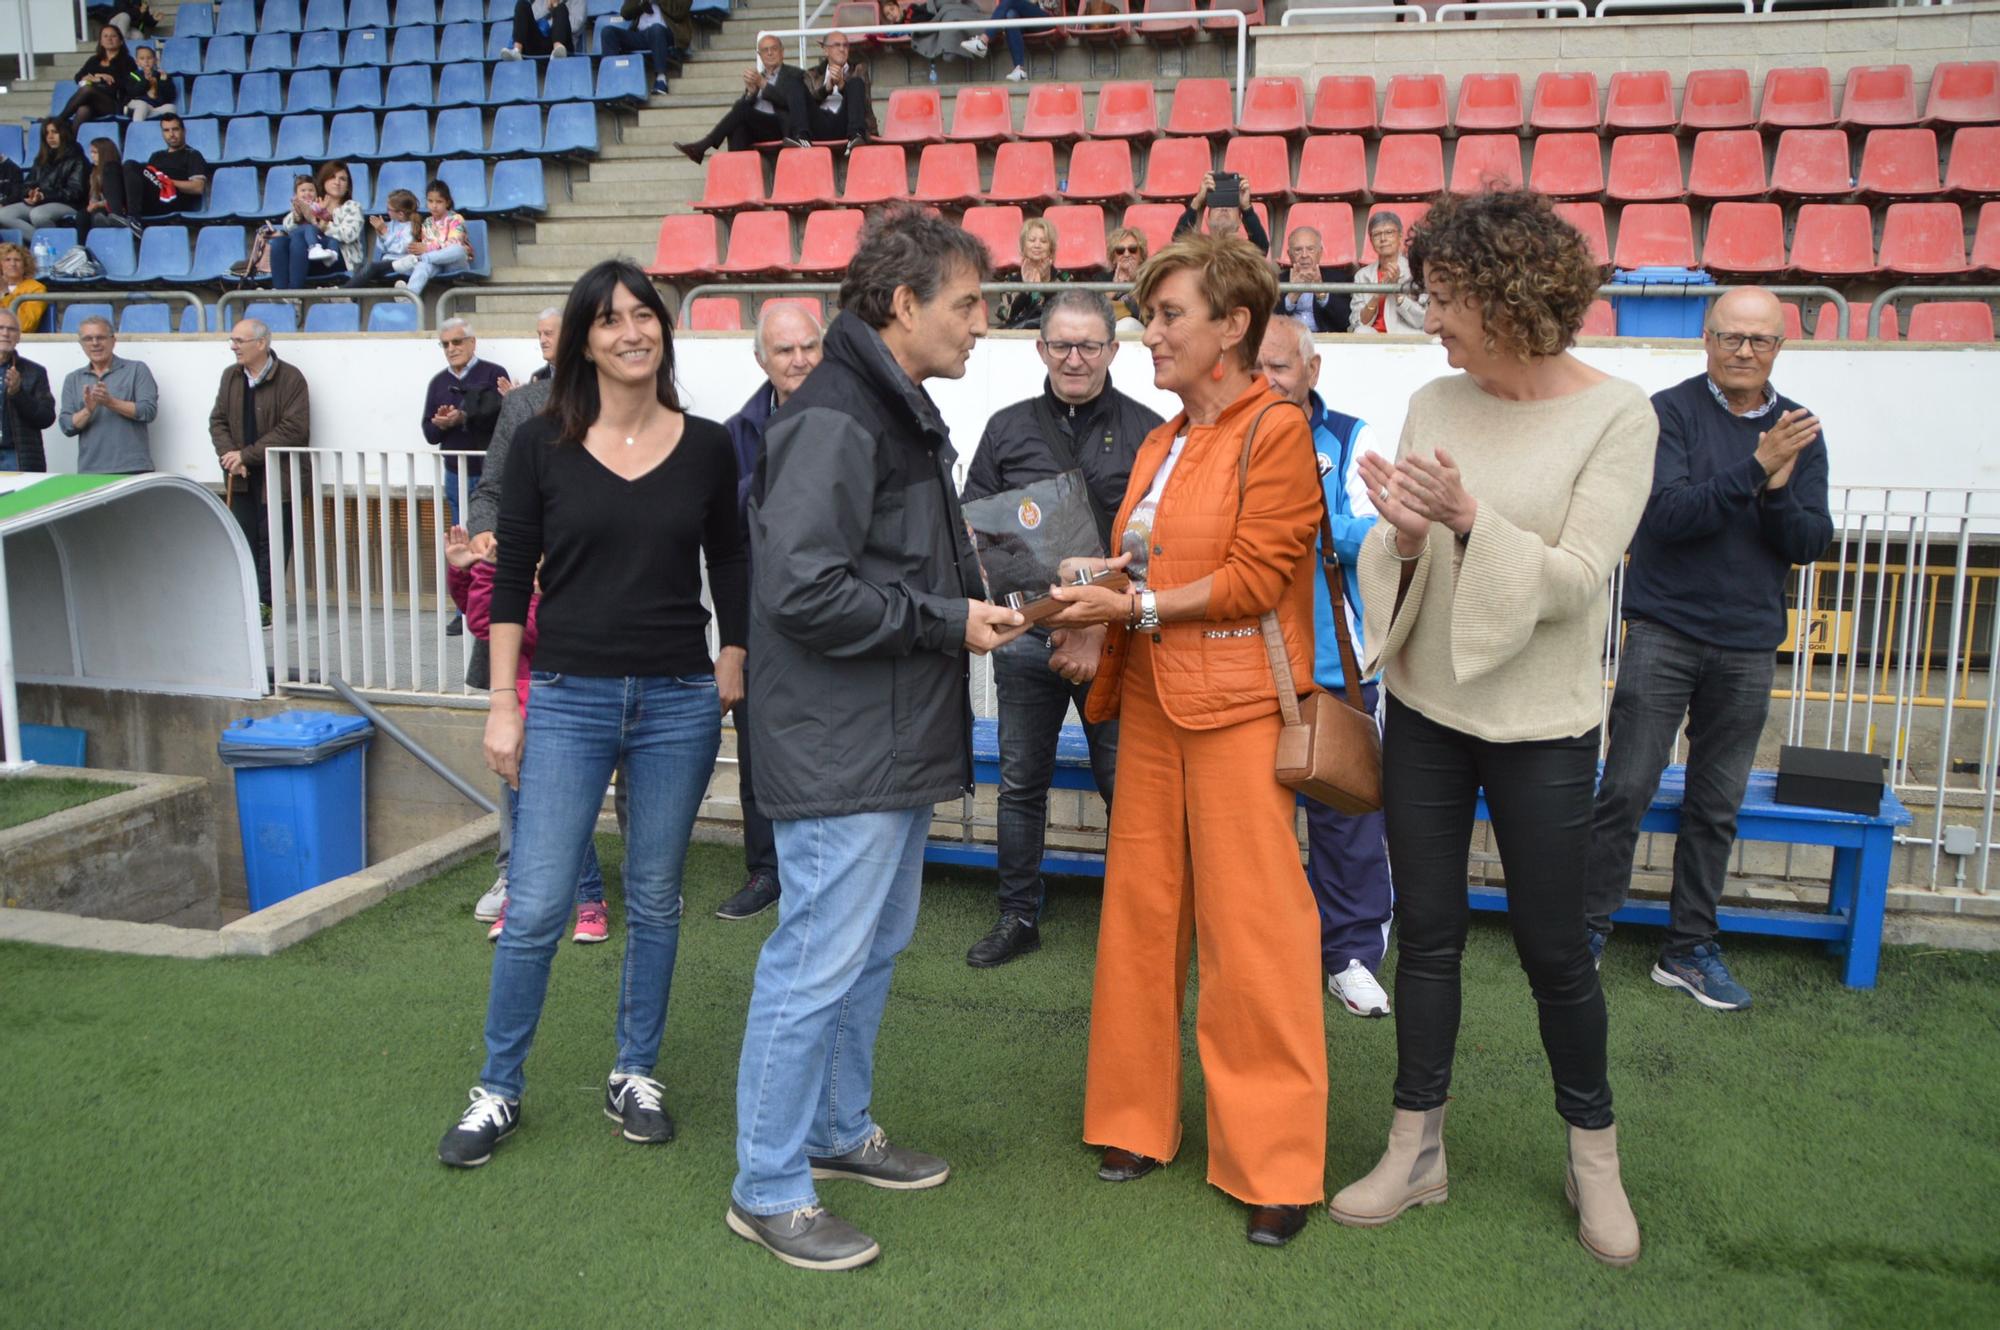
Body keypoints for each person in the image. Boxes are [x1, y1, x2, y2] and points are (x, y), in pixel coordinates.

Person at [1332, 190, 1653, 1269]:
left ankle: (1592, 1157)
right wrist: (1410, 536)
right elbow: (1401, 563)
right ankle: (1414, 1147)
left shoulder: (1618, 415)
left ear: (1507, 295)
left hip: (1544, 729)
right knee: (1420, 936)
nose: (1429, 316)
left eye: (1442, 296)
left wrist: (1470, 522)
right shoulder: (1432, 397)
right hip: (1426, 708)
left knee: (1554, 949)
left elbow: (1570, 581)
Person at [727, 205, 1023, 1271]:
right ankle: (766, 1182)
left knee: (869, 949)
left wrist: (995, 584)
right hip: (841, 746)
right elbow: (803, 587)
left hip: (885, 739)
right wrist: (946, 621)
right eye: (967, 303)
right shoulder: (840, 411)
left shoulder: (889, 406)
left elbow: (888, 563)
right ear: (903, 305)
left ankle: (836, 1133)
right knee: (813, 960)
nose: (982, 323)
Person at [1036, 232, 1326, 1250]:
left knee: (1255, 938)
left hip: (1242, 712)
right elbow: (1147, 574)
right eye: (1145, 314)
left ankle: (1275, 1162)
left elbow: (1251, 582)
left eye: (1166, 316)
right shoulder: (1162, 440)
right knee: (1140, 919)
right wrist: (1094, 590)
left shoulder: (1275, 430)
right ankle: (1132, 1122)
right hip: (1156, 705)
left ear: (1231, 328)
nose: (1145, 332)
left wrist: (1133, 605)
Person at [436, 259, 748, 1169]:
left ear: (664, 329)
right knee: (534, 906)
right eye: (608, 320)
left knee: (654, 900)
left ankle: (634, 1071)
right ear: (584, 340)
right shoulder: (541, 444)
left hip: (678, 703)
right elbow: (505, 580)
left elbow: (730, 560)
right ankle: (498, 1089)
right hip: (566, 700)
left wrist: (732, 654)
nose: (629, 332)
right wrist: (504, 706)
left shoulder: (708, 445)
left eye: (643, 315)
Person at [1582, 287, 1832, 1012]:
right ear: (1707, 339)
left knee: (1715, 805)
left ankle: (1688, 949)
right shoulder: (1668, 412)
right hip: (1664, 632)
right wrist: (1757, 471)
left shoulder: (1801, 429)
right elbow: (1666, 514)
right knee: (1624, 787)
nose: (1743, 351)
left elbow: (1809, 542)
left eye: (1758, 341)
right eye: (1731, 337)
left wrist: (1780, 489)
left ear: (1779, 348)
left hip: (1750, 642)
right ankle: (1586, 930)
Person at [959, 289, 1161, 968]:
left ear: (1113, 349)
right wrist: (1035, 604)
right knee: (1020, 781)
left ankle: (1136, 920)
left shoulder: (1150, 430)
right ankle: (1017, 914)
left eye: (1090, 345)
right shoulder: (1006, 427)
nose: (1075, 358)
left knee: (1125, 781)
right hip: (1029, 634)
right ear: (1040, 348)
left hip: (1114, 636)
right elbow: (976, 520)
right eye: (1062, 345)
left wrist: (1098, 613)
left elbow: (1156, 541)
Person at [1255, 314, 1394, 1017]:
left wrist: (1305, 516)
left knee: (1347, 822)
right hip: (1247, 668)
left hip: (1334, 666)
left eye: (1279, 366)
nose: (1267, 381)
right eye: (1255, 367)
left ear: (1312, 371)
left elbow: (1383, 533)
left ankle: (1351, 956)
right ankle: (1271, 953)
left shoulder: (1351, 437)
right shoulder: (1225, 435)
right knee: (1256, 825)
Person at [445, 523, 613, 946]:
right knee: (523, 818)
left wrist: (519, 586)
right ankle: (519, 898)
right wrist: (480, 569)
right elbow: (482, 618)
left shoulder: (563, 601)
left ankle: (590, 897)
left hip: (563, 721)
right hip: (518, 728)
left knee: (565, 817)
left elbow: (531, 628)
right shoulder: (514, 595)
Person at [715, 301, 824, 923]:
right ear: (762, 359)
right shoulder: (736, 432)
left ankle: (824, 868)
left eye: (808, 346)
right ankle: (765, 871)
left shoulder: (851, 417)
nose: (799, 360)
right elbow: (723, 535)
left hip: (834, 617)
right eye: (784, 350)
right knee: (757, 750)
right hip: (761, 622)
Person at [467, 305, 565, 926]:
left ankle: (644, 875)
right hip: (527, 606)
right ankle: (513, 870)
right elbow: (490, 492)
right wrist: (482, 535)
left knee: (630, 744)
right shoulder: (524, 404)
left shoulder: (639, 405)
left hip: (599, 610)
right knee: (515, 737)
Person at [210, 319, 312, 615]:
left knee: (274, 541)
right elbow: (217, 420)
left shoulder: (291, 378)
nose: (233, 346)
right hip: (239, 476)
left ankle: (266, 603)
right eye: (232, 340)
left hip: (278, 476)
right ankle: (246, 600)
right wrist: (230, 455)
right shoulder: (230, 376)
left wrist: (246, 455)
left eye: (239, 341)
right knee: (243, 538)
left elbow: (294, 429)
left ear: (261, 343)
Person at [422, 318, 512, 541]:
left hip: (490, 472)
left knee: (493, 540)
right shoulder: (438, 382)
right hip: (455, 474)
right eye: (445, 344)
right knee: (462, 539)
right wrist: (441, 423)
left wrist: (463, 417)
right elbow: (429, 434)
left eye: (456, 341)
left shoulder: (494, 374)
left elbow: (504, 421)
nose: (451, 349)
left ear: (472, 342)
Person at [675, 35, 810, 162]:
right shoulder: (759, 76)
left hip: (780, 126)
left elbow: (790, 103)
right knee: (737, 125)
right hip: (758, 127)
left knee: (742, 109)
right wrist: (750, 94)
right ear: (760, 55)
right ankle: (737, 175)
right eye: (765, 50)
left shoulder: (795, 74)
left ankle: (703, 145)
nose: (770, 53)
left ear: (782, 52)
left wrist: (763, 84)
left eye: (774, 49)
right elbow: (741, 109)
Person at [57, 317, 158, 476]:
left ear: (113, 340)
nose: (95, 343)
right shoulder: (73, 379)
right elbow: (66, 426)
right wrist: (87, 411)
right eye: (88, 339)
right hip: (90, 471)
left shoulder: (137, 369)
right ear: (81, 344)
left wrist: (110, 402)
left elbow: (148, 411)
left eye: (101, 337)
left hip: (133, 469)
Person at [266, 161, 363, 290]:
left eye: (342, 179)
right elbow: (287, 226)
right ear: (324, 181)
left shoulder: (352, 206)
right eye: (332, 177)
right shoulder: (315, 202)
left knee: (301, 236)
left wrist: (323, 225)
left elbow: (349, 234)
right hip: (307, 258)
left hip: (338, 256)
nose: (337, 182)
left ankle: (294, 293)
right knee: (280, 242)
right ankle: (280, 291)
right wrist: (298, 215)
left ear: (348, 186)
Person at [117, 112, 208, 223]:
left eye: (175, 129)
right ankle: (115, 214)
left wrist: (168, 181)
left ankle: (134, 220)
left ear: (183, 131)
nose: (171, 134)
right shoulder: (156, 156)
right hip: (150, 199)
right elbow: (148, 179)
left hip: (170, 200)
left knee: (130, 165)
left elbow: (198, 187)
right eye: (166, 130)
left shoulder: (193, 155)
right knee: (111, 168)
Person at [0, 120, 89, 231]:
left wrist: (44, 196)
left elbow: (75, 192)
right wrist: (29, 194)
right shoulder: (42, 158)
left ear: (64, 133)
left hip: (68, 204)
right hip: (39, 201)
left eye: (54, 132)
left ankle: (52, 242)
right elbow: (27, 183)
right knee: (3, 215)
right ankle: (38, 241)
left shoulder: (77, 159)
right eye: (47, 133)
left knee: (38, 215)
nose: (50, 137)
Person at [0, 308, 57, 473]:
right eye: (0, 328)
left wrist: (18, 393)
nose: (5, 333)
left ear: (18, 337)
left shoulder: (35, 371)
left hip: (17, 457)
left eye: (11, 329)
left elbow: (46, 418)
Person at [1350, 211, 1426, 336]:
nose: (1383, 239)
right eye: (1377, 234)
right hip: (1373, 338)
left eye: (1389, 233)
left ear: (1400, 236)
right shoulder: (1362, 275)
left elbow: (1421, 320)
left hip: (1406, 336)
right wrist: (1377, 295)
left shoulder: (1415, 271)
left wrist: (1396, 290)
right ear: (1371, 240)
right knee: (1361, 332)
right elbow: (1358, 322)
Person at [55, 26, 139, 131]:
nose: (109, 39)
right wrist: (86, 77)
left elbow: (130, 84)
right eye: (105, 36)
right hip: (93, 103)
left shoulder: (127, 61)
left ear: (121, 41)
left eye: (113, 36)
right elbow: (78, 77)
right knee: (83, 110)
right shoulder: (94, 60)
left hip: (115, 104)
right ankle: (70, 142)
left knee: (87, 89)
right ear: (101, 42)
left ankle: (58, 121)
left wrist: (101, 80)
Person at [398, 180, 473, 297]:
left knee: (458, 249)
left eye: (439, 202)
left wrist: (427, 250)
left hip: (454, 264)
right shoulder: (427, 223)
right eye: (430, 201)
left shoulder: (456, 218)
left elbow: (453, 243)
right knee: (423, 267)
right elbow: (427, 247)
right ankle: (409, 296)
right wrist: (421, 249)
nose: (434, 205)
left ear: (447, 203)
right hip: (435, 264)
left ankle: (419, 259)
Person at [804, 31, 874, 152]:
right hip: (820, 124)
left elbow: (864, 103)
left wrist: (842, 86)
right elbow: (806, 104)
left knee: (856, 83)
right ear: (826, 50)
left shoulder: (859, 69)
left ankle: (856, 137)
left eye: (845, 45)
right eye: (837, 45)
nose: (842, 49)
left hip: (846, 125)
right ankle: (801, 138)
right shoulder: (812, 74)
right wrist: (826, 88)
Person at [995, 215, 1069, 330]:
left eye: (1044, 241)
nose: (1037, 245)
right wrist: (1026, 289)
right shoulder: (1011, 279)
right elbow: (1005, 315)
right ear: (1023, 246)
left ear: (1051, 248)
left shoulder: (1063, 277)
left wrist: (1046, 285)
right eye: (1032, 240)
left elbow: (1068, 312)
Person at [957, 0, 1059, 82]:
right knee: (1010, 15)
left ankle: (983, 41)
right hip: (1024, 20)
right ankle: (1019, 70)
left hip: (1046, 18)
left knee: (1010, 1)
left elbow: (1052, 5)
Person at [600, 0, 683, 97]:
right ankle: (611, 83)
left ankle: (661, 80)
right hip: (641, 35)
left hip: (666, 34)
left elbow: (680, 12)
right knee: (608, 32)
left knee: (655, 29)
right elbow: (625, 13)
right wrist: (642, 2)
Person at [1174, 171, 1269, 255]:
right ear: (1209, 217)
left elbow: (1261, 249)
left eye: (1230, 204)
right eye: (1218, 202)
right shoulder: (1198, 251)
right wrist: (1197, 201)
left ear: (1240, 220)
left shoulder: (1244, 253)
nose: (1224, 208)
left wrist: (1247, 209)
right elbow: (1178, 243)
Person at [345, 189, 421, 289]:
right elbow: (383, 249)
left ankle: (342, 291)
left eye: (389, 209)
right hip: (387, 263)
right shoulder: (392, 223)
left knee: (372, 267)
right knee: (360, 265)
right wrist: (380, 233)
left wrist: (385, 232)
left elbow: (400, 249)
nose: (387, 211)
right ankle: (350, 297)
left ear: (400, 214)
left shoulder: (411, 227)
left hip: (401, 265)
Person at [1277, 227, 1347, 334]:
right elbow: (1268, 320)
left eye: (1310, 249)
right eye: (1298, 250)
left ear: (1320, 253)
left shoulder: (1337, 279)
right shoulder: (1277, 281)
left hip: (1325, 341)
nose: (1304, 255)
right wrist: (1292, 296)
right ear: (1289, 255)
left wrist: (1321, 293)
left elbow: (1345, 321)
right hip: (1289, 340)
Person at [500, 0, 581, 60]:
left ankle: (558, 51)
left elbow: (576, 24)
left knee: (560, 7)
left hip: (563, 44)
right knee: (522, 4)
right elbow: (530, 19)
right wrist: (548, 9)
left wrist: (555, 8)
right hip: (539, 42)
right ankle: (516, 50)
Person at [81, 138, 131, 233]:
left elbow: (116, 196)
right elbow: (94, 195)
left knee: (98, 212)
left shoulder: (114, 170)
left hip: (118, 207)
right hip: (102, 207)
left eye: (95, 152)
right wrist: (93, 203)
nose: (92, 156)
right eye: (91, 152)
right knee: (83, 215)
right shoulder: (94, 173)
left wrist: (97, 204)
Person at [1107, 227, 1148, 331]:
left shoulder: (1150, 277)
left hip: (1139, 333)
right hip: (1111, 331)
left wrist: (1135, 282)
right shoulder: (1101, 278)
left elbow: (1149, 318)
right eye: (1120, 251)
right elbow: (1094, 314)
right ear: (1114, 258)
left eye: (1132, 249)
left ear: (1141, 255)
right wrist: (1113, 289)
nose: (1126, 254)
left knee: (1128, 324)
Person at [0, 244, 48, 334]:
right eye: (7, 260)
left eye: (17, 260)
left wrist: (5, 293)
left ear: (25, 265)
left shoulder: (36, 288)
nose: (13, 264)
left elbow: (25, 325)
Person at [125, 40, 175, 121]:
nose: (146, 61)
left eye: (149, 58)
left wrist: (163, 81)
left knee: (171, 108)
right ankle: (138, 129)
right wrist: (145, 80)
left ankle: (134, 113)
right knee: (142, 106)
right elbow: (133, 92)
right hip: (137, 103)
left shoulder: (161, 75)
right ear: (137, 62)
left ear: (155, 60)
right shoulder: (133, 75)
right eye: (142, 58)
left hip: (154, 107)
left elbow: (169, 97)